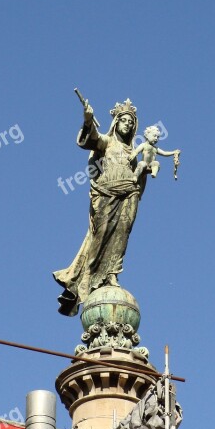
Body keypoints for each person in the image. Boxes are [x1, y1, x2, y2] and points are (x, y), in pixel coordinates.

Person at [53, 98, 142, 316]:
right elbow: (91, 140)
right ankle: (85, 279)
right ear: (116, 122)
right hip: (106, 194)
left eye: (131, 122)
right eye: (124, 120)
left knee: (121, 235)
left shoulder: (133, 151)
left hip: (128, 194)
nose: (127, 124)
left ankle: (112, 273)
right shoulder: (107, 143)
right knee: (100, 235)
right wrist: (88, 119)